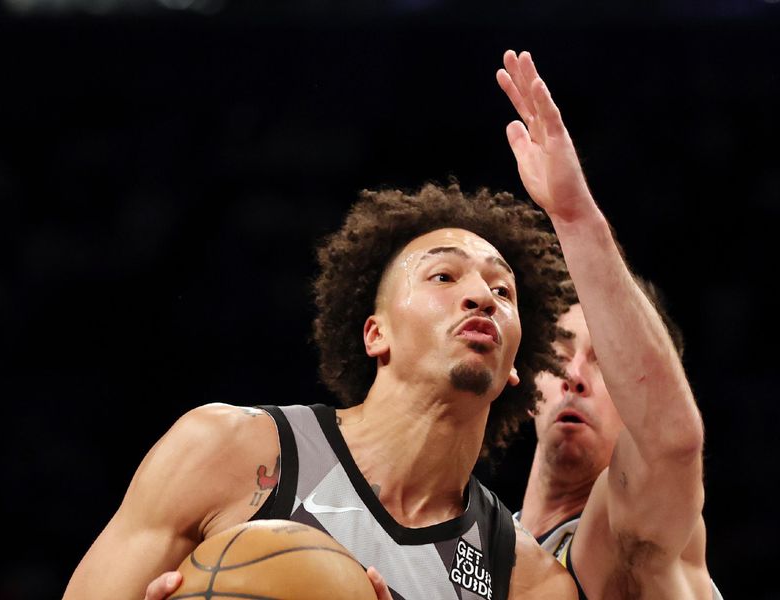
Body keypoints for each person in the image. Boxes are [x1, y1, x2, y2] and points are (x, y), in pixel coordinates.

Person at [63, 49, 589, 600]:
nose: (481, 296)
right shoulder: (225, 450)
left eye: (502, 290)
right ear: (374, 333)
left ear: (515, 371)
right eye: (443, 277)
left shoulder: (527, 582)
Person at [497, 53, 722, 599]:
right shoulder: (476, 551)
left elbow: (672, 443)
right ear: (531, 387)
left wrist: (575, 220)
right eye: (563, 353)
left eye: (603, 363)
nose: (574, 376)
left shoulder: (637, 538)